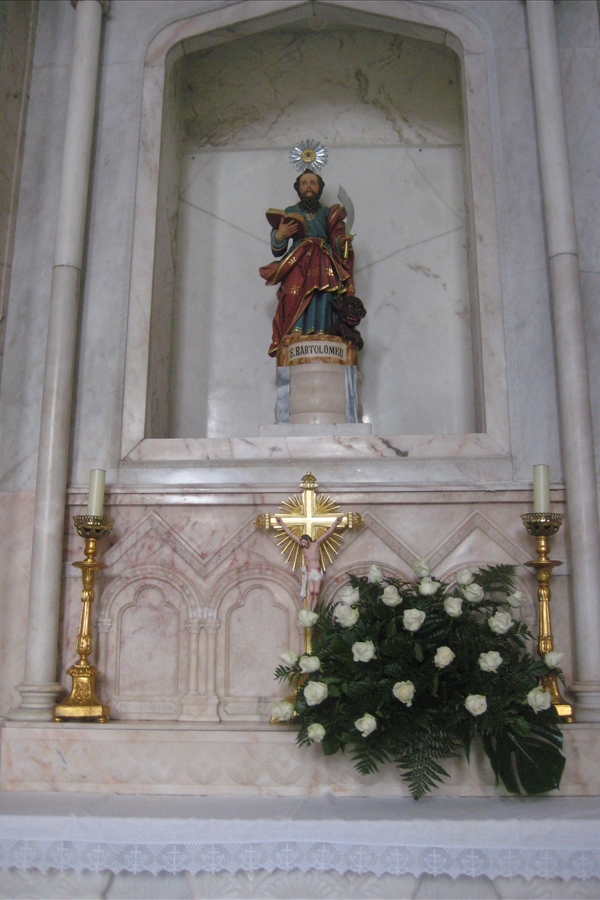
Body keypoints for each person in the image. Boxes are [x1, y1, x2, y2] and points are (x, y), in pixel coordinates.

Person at [260, 171, 355, 358]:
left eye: (312, 182)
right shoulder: (290, 211)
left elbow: (336, 237)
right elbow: (277, 248)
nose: (308, 187)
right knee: (292, 293)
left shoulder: (327, 213)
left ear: (319, 188)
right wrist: (281, 234)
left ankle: (323, 331)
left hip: (323, 257)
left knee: (324, 293)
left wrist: (341, 242)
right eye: (304, 183)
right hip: (298, 259)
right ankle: (295, 330)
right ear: (298, 189)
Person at [276, 516, 342, 609]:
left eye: (304, 542)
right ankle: (308, 610)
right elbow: (290, 534)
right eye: (302, 543)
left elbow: (327, 533)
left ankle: (313, 611)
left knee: (316, 593)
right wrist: (282, 523)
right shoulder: (303, 548)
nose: (302, 544)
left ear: (308, 541)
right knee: (311, 592)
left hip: (317, 571)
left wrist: (335, 522)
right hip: (309, 571)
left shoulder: (316, 544)